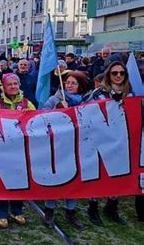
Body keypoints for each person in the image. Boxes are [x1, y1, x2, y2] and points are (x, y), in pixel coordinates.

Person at [87, 61, 134, 225]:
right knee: (98, 174)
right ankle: (93, 208)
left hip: (122, 140)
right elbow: (85, 112)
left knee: (118, 174)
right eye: (115, 73)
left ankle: (112, 207)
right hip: (100, 140)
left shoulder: (131, 95)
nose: (119, 76)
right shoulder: (99, 93)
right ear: (109, 75)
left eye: (122, 73)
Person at [42, 71, 91, 229]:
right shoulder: (54, 99)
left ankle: (71, 211)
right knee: (55, 177)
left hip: (77, 145)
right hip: (57, 145)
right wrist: (58, 110)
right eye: (67, 82)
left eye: (73, 83)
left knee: (73, 177)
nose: (69, 86)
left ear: (80, 86)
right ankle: (49, 210)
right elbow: (40, 117)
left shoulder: (86, 101)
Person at [0, 73, 35, 228]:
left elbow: (35, 123)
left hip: (20, 149)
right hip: (2, 150)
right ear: (4, 87)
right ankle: (2, 212)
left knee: (18, 180)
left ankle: (17, 210)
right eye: (9, 84)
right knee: (1, 181)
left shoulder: (27, 104)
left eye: (15, 83)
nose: (13, 87)